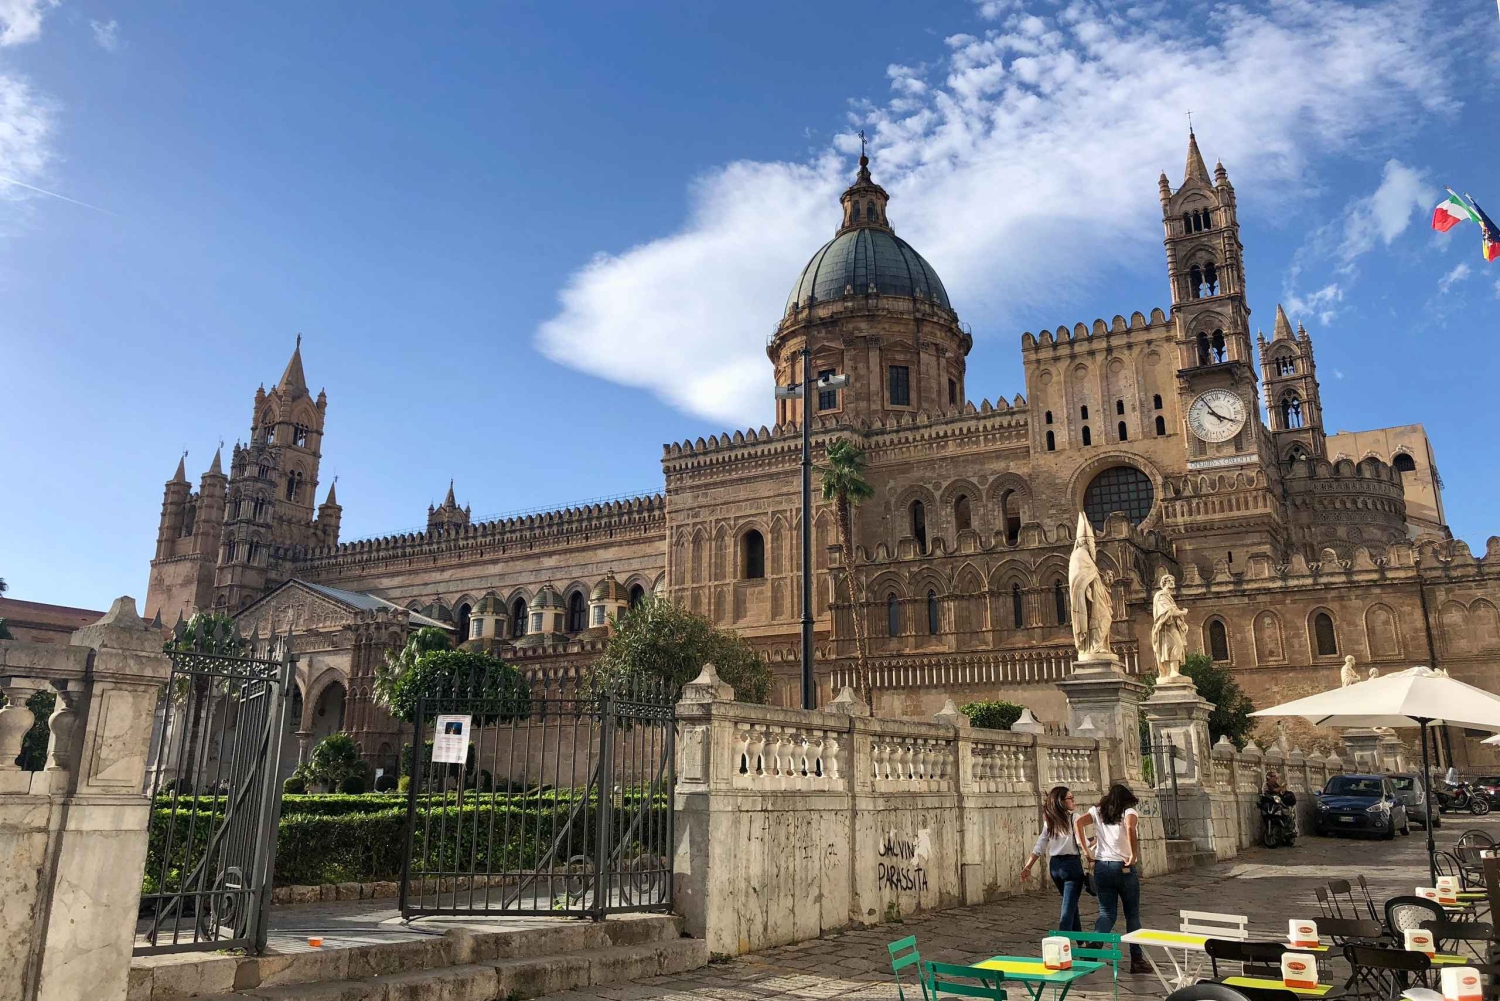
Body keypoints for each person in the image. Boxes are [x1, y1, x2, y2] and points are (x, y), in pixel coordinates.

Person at [1076, 783, 1149, 973]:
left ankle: (1093, 949)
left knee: (1106, 914)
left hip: (1102, 866)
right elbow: (1131, 829)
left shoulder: (1098, 811)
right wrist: (1133, 854)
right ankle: (1136, 959)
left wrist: (1086, 850)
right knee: (1132, 914)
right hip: (1123, 866)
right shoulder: (1129, 812)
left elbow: (1078, 823)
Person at [1019, 786, 1087, 931]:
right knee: (1068, 909)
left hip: (1055, 867)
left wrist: (1028, 866)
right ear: (1061, 801)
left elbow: (1041, 844)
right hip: (1071, 866)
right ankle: (1062, 941)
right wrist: (1097, 842)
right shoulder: (1074, 818)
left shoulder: (1050, 820)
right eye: (1070, 798)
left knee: (1070, 904)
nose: (1073, 801)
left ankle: (1081, 942)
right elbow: (1082, 843)